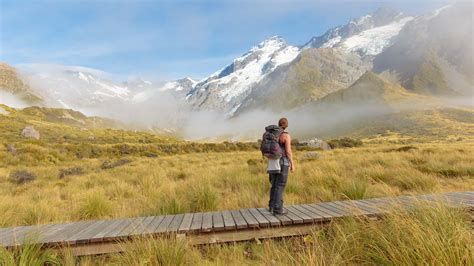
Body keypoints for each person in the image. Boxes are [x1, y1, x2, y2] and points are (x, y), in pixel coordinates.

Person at [268, 117, 295, 215]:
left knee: (274, 184)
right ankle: (278, 209)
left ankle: (271, 206)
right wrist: (292, 163)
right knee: (280, 185)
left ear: (279, 124)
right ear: (286, 125)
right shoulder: (285, 135)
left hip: (272, 162)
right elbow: (288, 151)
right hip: (282, 162)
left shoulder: (272, 135)